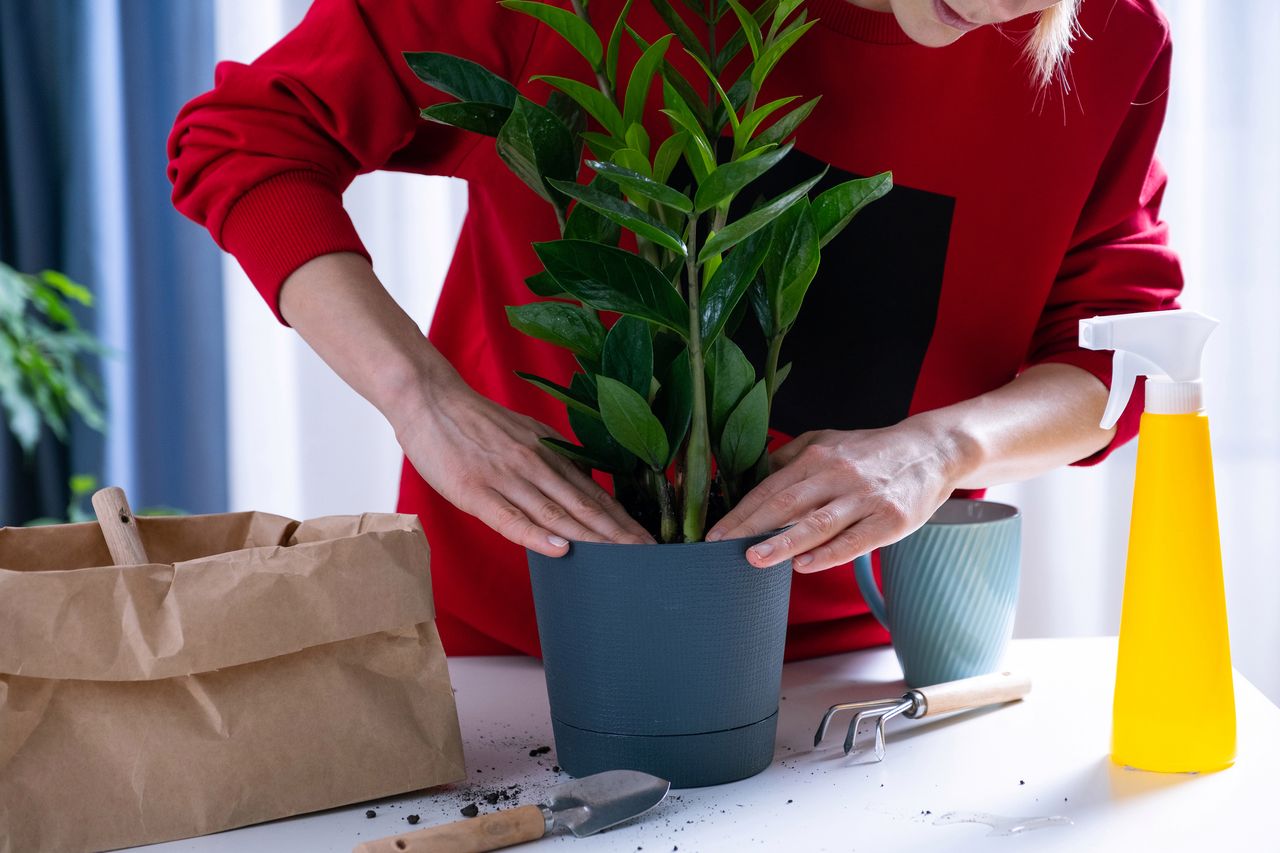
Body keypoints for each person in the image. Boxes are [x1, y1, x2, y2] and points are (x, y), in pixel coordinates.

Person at [168, 0, 1181, 659]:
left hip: (850, 659)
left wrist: (943, 446)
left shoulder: (1110, 43)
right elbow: (249, 142)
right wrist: (418, 397)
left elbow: (1119, 352)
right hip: (507, 644)